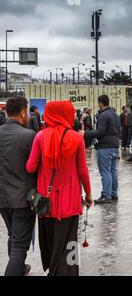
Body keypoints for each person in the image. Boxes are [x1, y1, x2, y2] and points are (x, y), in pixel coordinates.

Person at [26, 101, 93, 276]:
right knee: (70, 239)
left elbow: (30, 167)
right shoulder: (77, 137)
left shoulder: (40, 137)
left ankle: (53, 270)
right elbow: (83, 170)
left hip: (46, 201)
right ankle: (69, 272)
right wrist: (88, 194)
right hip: (70, 200)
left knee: (50, 239)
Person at [0, 97, 36, 276]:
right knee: (20, 246)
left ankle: (20, 268)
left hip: (2, 199)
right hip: (22, 199)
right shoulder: (29, 136)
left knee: (13, 237)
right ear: (22, 112)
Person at [82, 95, 121, 204]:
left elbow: (100, 132)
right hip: (114, 145)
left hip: (105, 147)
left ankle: (106, 195)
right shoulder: (115, 114)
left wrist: (85, 133)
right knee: (113, 170)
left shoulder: (103, 115)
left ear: (101, 103)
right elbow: (119, 129)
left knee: (105, 171)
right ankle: (113, 194)